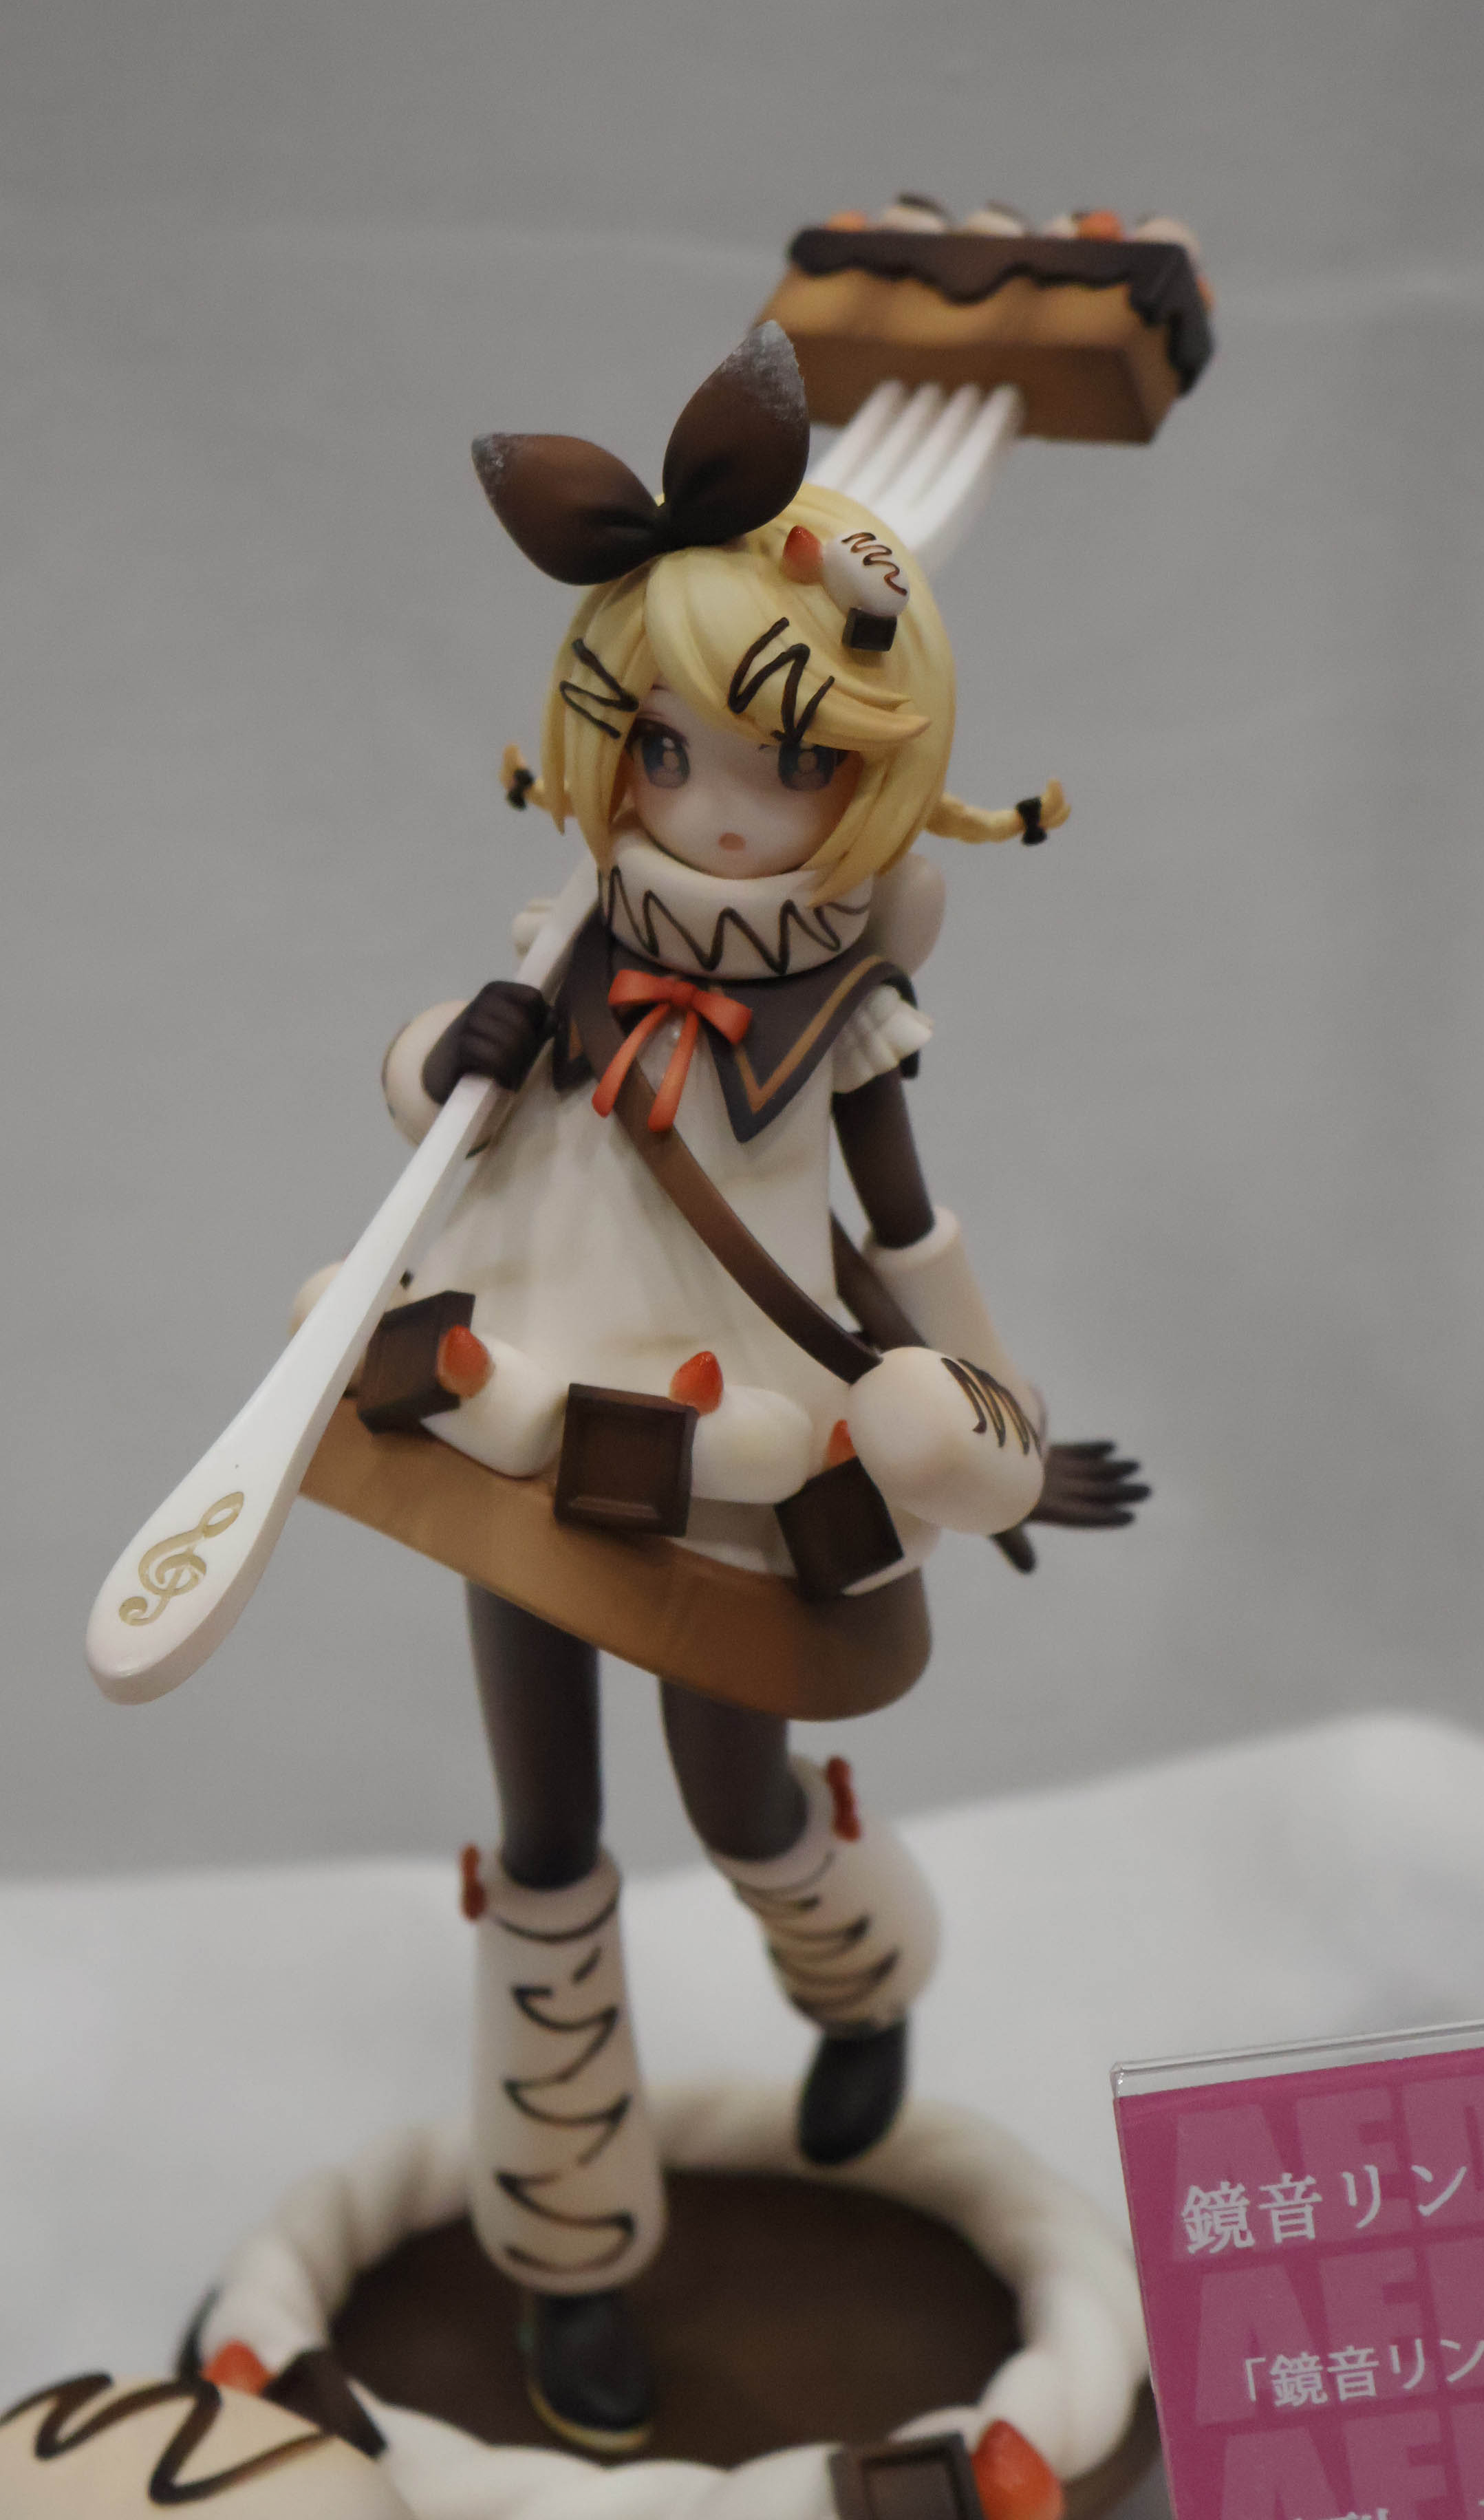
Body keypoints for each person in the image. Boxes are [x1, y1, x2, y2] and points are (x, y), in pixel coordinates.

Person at [358, 326, 1141, 2453]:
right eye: (669, 744)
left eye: (784, 762)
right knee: (546, 1841)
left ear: (865, 776)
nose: (714, 804)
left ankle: (861, 1975)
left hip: (737, 1447)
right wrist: (448, 1052)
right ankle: (568, 2257)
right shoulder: (565, 932)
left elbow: (905, 1235)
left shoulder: (848, 1006)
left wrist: (997, 1434)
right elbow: (439, 1106)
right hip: (514, 1395)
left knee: (740, 1804)